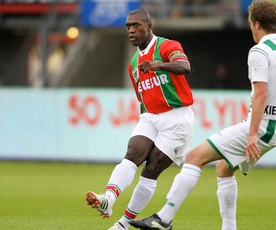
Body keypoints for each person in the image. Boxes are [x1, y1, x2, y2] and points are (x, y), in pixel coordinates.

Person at [129, 1, 276, 230]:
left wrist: (252, 134)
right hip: (272, 127)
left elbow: (260, 94)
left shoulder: (259, 51)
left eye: (250, 25)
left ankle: (164, 218)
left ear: (256, 23)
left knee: (194, 157)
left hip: (265, 126)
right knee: (224, 168)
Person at [85, 8, 195, 230]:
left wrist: (158, 65)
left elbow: (185, 67)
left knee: (151, 168)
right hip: (150, 116)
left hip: (177, 118)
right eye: (128, 27)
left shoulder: (167, 46)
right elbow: (143, 98)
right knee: (133, 152)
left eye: (136, 26)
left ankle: (123, 224)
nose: (131, 30)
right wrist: (145, 121)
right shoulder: (133, 64)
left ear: (149, 27)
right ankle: (108, 199)